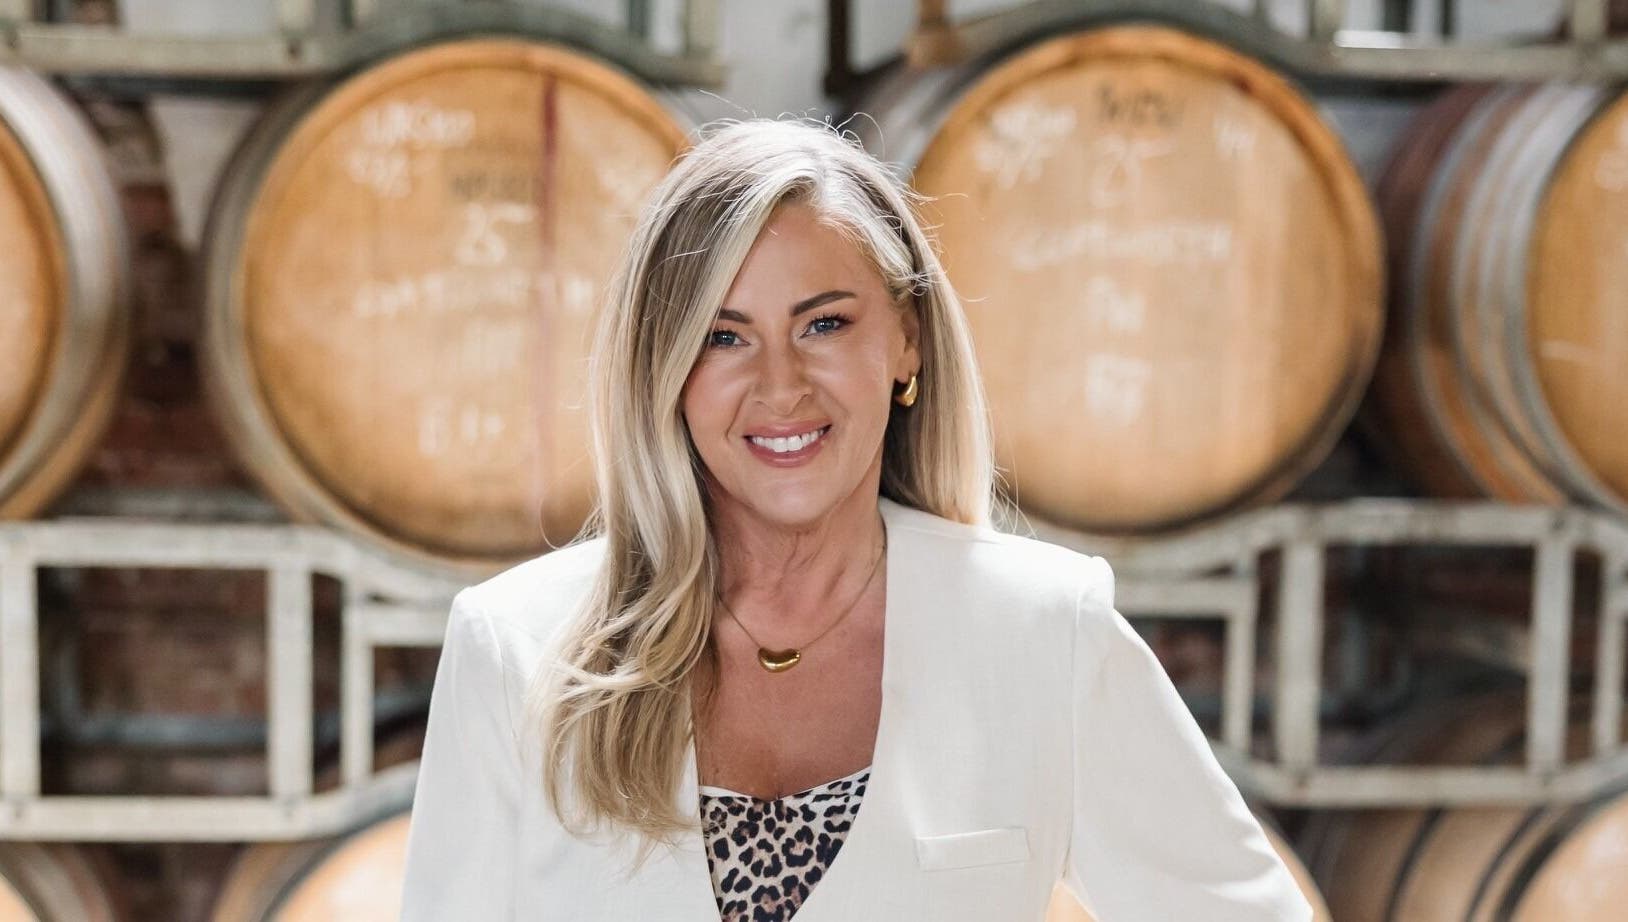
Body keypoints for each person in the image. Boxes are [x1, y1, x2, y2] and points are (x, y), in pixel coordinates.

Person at [400, 118, 1311, 921]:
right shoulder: (516, 648)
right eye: (723, 337)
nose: (780, 384)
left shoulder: (1042, 631)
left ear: (905, 336)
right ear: (663, 370)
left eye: (824, 323)